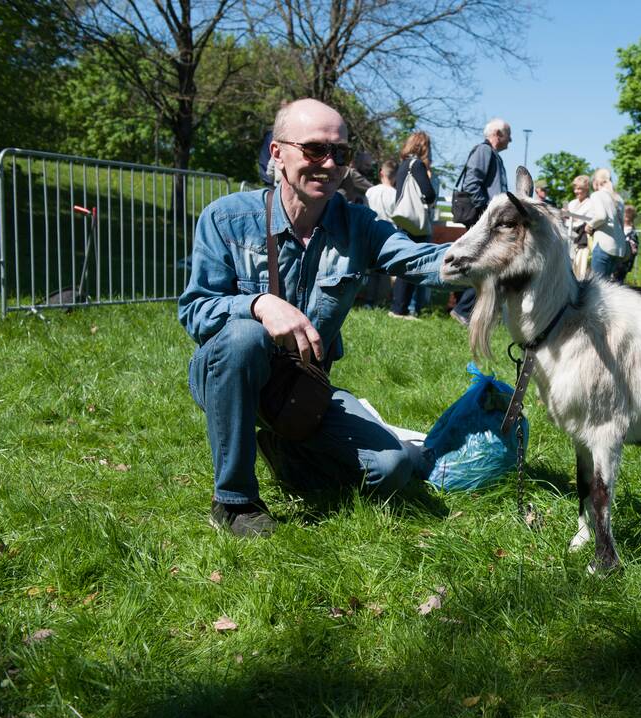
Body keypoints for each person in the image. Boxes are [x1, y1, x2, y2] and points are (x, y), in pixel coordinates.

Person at [179, 99, 453, 537]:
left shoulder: (359, 225)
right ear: (277, 153)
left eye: (340, 153)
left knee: (393, 468)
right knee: (245, 338)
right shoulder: (226, 218)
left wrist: (502, 250)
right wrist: (257, 305)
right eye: (313, 150)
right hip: (228, 372)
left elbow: (423, 260)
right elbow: (195, 310)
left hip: (304, 388)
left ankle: (285, 450)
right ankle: (234, 501)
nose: (328, 163)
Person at [449, 118, 511, 325]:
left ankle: (468, 311)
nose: (511, 140)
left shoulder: (492, 155)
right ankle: (464, 310)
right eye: (508, 134)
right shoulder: (484, 152)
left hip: (486, 219)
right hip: (482, 219)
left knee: (486, 265)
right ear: (498, 134)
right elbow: (472, 183)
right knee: (485, 265)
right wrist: (486, 213)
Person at [388, 132, 437, 319]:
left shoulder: (403, 165)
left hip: (405, 220)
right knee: (414, 265)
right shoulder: (417, 165)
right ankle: (401, 309)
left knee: (406, 263)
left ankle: (399, 308)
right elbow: (428, 194)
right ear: (423, 146)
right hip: (416, 222)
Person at [357, 160, 398, 307]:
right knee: (384, 272)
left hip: (371, 231)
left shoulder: (370, 191)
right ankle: (380, 301)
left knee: (371, 270)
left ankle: (368, 299)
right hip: (389, 234)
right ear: (396, 175)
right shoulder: (395, 194)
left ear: (381, 172)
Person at [585, 168, 629, 281]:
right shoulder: (619, 199)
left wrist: (589, 226)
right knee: (613, 289)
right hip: (619, 249)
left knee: (598, 288)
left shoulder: (597, 195)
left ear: (596, 182)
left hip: (603, 247)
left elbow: (601, 216)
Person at [566, 174, 593, 280]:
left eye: (579, 188)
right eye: (575, 188)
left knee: (581, 272)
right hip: (570, 241)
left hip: (583, 242)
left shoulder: (591, 203)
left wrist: (571, 217)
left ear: (586, 189)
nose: (576, 191)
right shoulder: (572, 203)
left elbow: (589, 220)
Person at [613, 203, 640, 284]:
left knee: (618, 281)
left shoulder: (631, 231)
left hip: (624, 260)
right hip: (617, 257)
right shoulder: (618, 227)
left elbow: (634, 249)